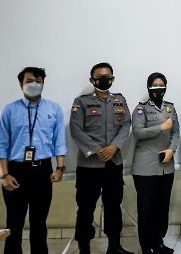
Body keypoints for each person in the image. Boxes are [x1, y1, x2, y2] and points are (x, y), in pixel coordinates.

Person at [0, 67, 67, 254]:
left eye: (38, 81)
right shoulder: (10, 110)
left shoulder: (53, 109)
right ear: (21, 84)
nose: (34, 84)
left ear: (43, 83)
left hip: (43, 171)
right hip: (15, 171)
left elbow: (59, 142)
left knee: (39, 222)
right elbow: (2, 145)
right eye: (29, 81)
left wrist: (60, 168)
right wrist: (4, 175)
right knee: (14, 222)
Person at [70, 62, 133, 254]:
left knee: (113, 206)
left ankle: (114, 246)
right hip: (88, 166)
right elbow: (76, 129)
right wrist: (98, 150)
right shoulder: (81, 102)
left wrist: (114, 147)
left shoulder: (120, 100)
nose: (104, 80)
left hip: (113, 163)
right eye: (99, 77)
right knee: (85, 209)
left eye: (108, 76)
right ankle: (84, 248)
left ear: (113, 79)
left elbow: (126, 124)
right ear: (92, 80)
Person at [131, 72, 181, 254]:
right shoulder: (141, 109)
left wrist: (172, 149)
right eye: (155, 85)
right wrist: (160, 127)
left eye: (162, 85)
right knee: (147, 208)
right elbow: (137, 132)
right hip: (145, 167)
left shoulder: (170, 108)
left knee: (162, 207)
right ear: (148, 87)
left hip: (166, 166)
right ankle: (147, 246)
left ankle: (159, 241)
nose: (158, 88)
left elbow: (176, 132)